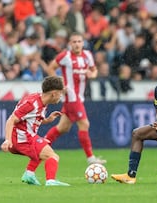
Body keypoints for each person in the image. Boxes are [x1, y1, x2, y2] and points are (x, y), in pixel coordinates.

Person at [43, 32, 106, 165]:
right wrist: (60, 86)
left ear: (82, 43)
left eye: (79, 41)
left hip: (79, 97)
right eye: (74, 42)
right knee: (84, 124)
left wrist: (92, 74)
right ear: (70, 44)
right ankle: (90, 158)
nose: (77, 44)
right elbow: (50, 68)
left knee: (62, 128)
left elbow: (94, 71)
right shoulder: (65, 56)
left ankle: (41, 145)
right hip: (71, 97)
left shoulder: (88, 55)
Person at [0, 76, 70, 186]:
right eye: (60, 93)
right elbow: (11, 120)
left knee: (43, 147)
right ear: (53, 93)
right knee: (52, 156)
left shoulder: (41, 101)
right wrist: (7, 140)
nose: (61, 96)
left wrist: (47, 120)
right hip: (21, 138)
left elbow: (30, 119)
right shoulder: (32, 104)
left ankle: (29, 174)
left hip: (26, 136)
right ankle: (51, 181)